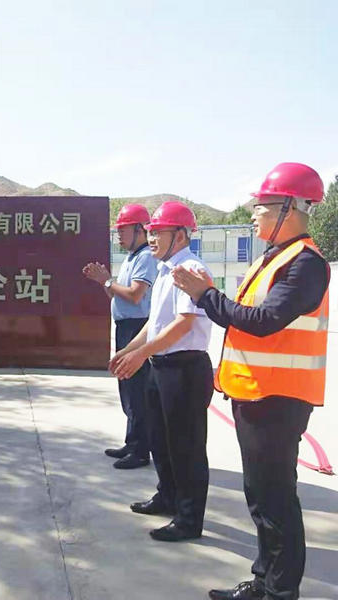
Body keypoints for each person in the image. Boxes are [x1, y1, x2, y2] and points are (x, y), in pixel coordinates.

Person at [173, 164, 330, 600]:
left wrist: (205, 295)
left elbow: (262, 322)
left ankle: (280, 591)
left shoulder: (306, 264)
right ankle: (264, 580)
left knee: (275, 500)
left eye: (262, 206)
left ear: (290, 208)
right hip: (255, 394)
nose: (254, 214)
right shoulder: (273, 258)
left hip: (278, 399)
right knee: (261, 497)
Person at [110, 201, 213, 542]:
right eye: (150, 233)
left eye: (158, 233)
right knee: (161, 441)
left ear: (180, 236)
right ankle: (167, 496)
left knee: (186, 447)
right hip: (161, 366)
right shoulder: (165, 270)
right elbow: (155, 323)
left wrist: (141, 355)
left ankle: (189, 518)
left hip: (184, 368)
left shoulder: (191, 270)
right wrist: (128, 350)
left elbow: (184, 324)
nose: (151, 239)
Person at [83, 204, 157, 469]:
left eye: (123, 230)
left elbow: (136, 295)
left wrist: (106, 281)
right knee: (127, 386)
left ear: (139, 229)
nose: (119, 236)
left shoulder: (146, 257)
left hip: (137, 327)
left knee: (137, 388)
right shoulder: (132, 258)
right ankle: (132, 441)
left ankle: (140, 450)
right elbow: (116, 294)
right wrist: (104, 282)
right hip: (126, 326)